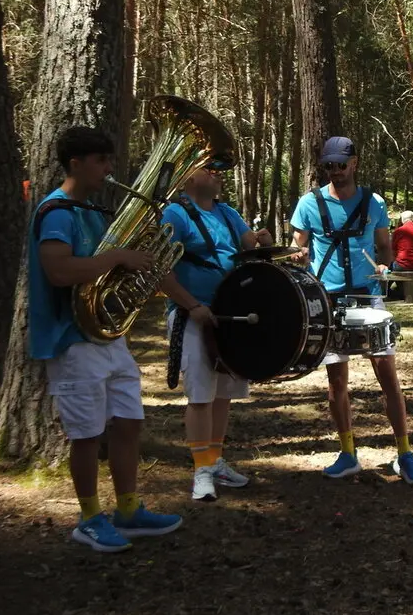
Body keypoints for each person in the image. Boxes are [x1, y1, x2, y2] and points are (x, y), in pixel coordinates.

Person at [29, 126, 182, 553]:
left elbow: (111, 268)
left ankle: (129, 509)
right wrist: (117, 257)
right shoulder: (56, 213)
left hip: (107, 337)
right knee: (86, 434)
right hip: (72, 340)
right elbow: (59, 272)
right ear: (76, 163)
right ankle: (90, 517)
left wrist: (138, 264)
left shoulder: (95, 212)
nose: (109, 169)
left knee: (129, 421)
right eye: (101, 161)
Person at [291, 137, 413, 485]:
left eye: (341, 164)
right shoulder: (310, 203)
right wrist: (298, 257)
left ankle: (404, 453)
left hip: (367, 298)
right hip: (328, 300)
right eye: (329, 165)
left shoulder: (374, 202)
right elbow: (297, 246)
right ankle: (348, 452)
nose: (336, 171)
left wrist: (385, 266)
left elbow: (384, 247)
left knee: (388, 377)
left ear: (355, 163)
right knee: (336, 381)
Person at [159, 166, 259, 502]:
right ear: (188, 175)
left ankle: (214, 460)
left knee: (223, 394)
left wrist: (264, 241)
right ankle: (201, 470)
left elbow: (252, 248)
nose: (219, 173)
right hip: (194, 316)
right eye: (211, 168)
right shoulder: (175, 214)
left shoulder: (228, 213)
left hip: (230, 315)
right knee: (200, 396)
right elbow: (161, 271)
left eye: (221, 169)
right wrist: (191, 306)